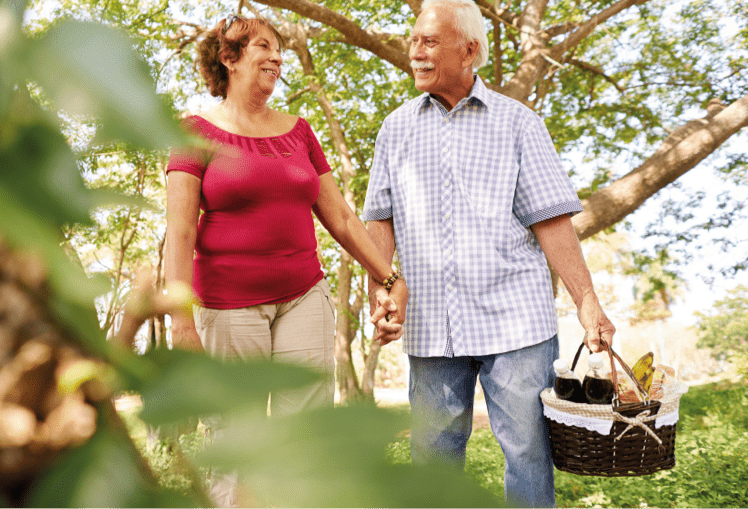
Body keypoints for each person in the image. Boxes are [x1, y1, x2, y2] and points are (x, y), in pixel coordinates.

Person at [362, 0, 617, 506]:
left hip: (515, 323)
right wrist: (383, 287)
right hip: (432, 323)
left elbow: (552, 221)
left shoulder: (519, 124)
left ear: (471, 50)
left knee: (527, 453)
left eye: (429, 42)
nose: (415, 51)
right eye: (413, 40)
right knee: (432, 456)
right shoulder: (396, 128)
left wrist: (588, 304)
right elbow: (379, 218)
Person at [164, 14, 408, 507]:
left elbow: (339, 217)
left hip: (304, 297)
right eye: (263, 46)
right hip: (229, 306)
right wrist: (181, 321)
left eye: (280, 49)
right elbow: (181, 230)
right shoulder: (194, 132)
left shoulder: (299, 132)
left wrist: (390, 277)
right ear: (228, 58)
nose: (277, 56)